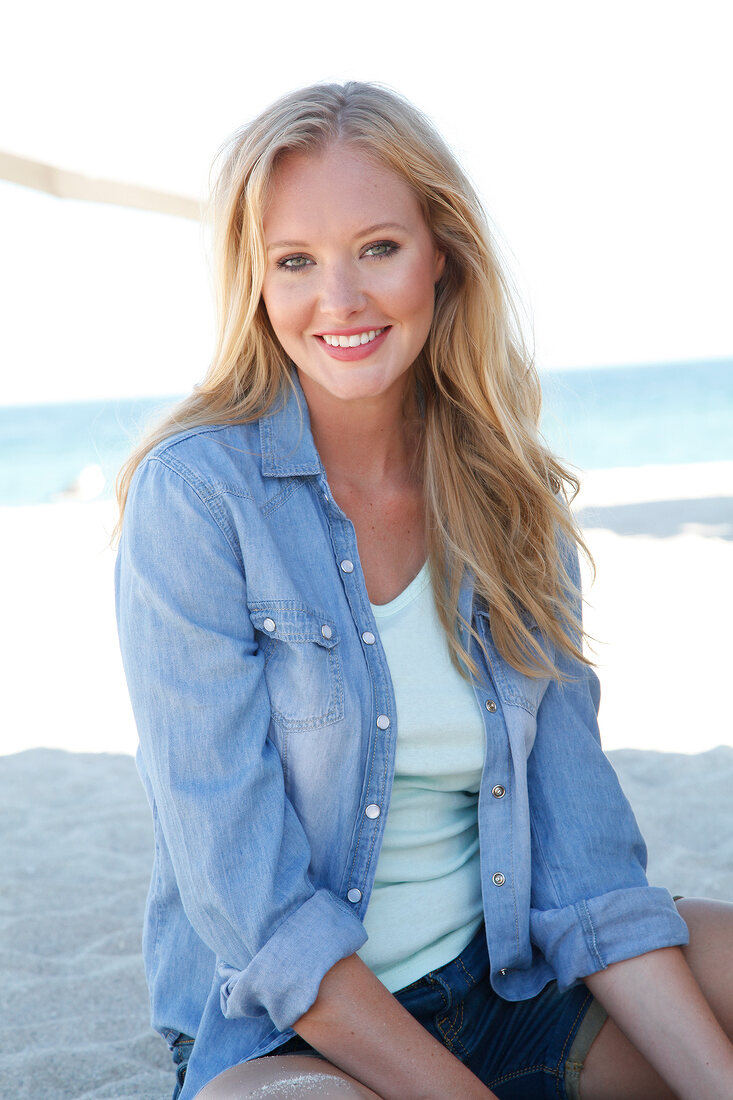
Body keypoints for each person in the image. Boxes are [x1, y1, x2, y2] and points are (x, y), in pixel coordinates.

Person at [114, 82, 733, 1100]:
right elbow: (258, 915)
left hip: (504, 984)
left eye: (379, 247)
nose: (342, 300)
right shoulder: (196, 499)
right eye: (296, 261)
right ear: (255, 283)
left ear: (442, 254)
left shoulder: (505, 497)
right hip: (296, 1034)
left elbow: (586, 865)